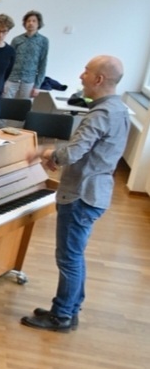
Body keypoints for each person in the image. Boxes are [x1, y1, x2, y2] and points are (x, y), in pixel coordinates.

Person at [21, 56, 129, 333]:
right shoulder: (118, 109)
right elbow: (88, 152)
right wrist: (56, 157)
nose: (81, 76)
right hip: (96, 192)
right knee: (75, 256)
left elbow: (72, 153)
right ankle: (70, 308)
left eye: (86, 71)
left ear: (99, 79)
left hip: (81, 195)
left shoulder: (101, 114)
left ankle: (61, 316)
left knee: (68, 258)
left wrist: (43, 152)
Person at [4, 10, 49, 99]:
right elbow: (8, 61)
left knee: (24, 105)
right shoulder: (16, 40)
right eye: (28, 21)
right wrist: (3, 80)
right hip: (12, 78)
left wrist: (37, 86)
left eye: (34, 21)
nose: (31, 23)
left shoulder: (43, 41)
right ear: (25, 23)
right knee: (4, 103)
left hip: (29, 80)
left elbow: (42, 64)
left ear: (38, 23)